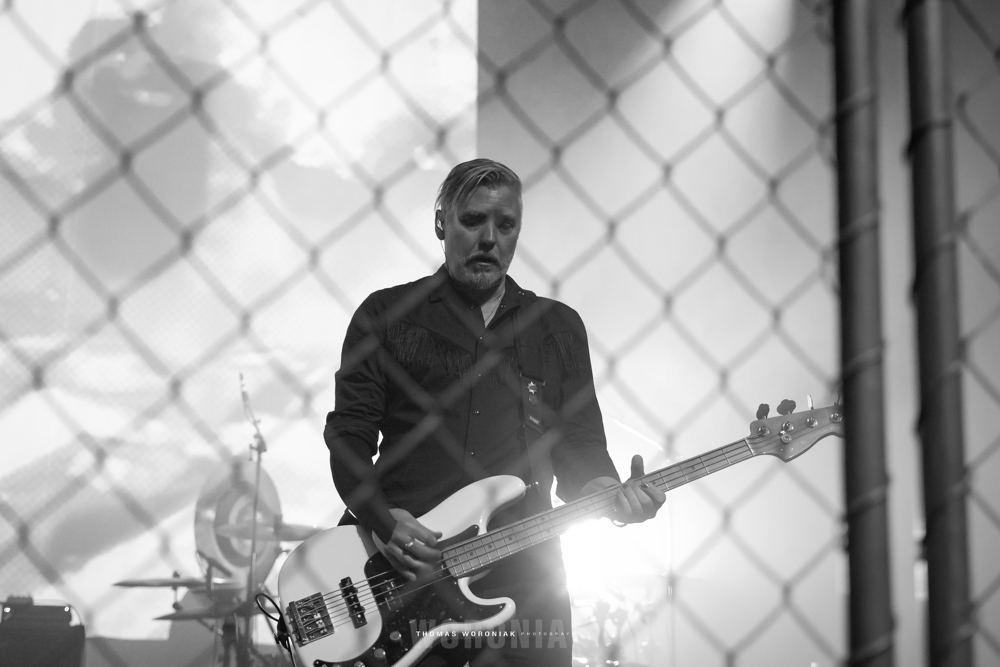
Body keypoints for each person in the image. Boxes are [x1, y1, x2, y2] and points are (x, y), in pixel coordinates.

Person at [324, 158, 665, 666]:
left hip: (528, 578)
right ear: (441, 222)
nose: (489, 239)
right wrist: (382, 520)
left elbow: (580, 445)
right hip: (406, 575)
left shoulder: (556, 327)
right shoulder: (386, 316)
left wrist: (610, 492)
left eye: (505, 225)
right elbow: (348, 437)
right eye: (472, 220)